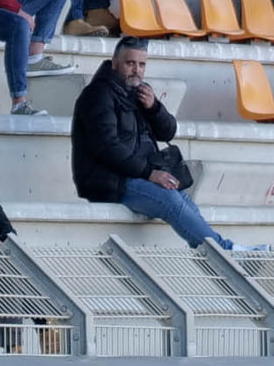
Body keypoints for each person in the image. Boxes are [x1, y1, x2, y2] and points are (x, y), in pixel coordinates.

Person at [71, 39, 263, 251]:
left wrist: (154, 108)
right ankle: (226, 252)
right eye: (130, 63)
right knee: (170, 198)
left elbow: (168, 132)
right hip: (108, 182)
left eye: (142, 65)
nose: (136, 70)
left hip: (137, 177)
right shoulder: (98, 95)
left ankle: (221, 252)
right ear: (115, 62)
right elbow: (107, 147)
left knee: (182, 199)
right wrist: (149, 173)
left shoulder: (139, 92)